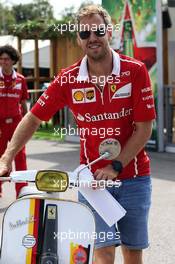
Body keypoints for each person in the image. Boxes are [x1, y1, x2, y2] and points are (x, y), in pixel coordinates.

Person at [0, 5, 156, 264]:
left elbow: (144, 128)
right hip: (93, 183)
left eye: (97, 30)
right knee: (102, 252)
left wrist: (116, 165)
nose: (92, 37)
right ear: (78, 39)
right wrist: (6, 157)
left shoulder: (135, 70)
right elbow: (33, 117)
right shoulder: (68, 79)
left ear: (108, 32)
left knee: (132, 253)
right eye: (85, 34)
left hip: (134, 179)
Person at [0, 45, 28, 197]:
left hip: (17, 122)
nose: (3, 62)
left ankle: (21, 190)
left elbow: (24, 104)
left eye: (7, 59)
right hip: (0, 124)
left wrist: (27, 124)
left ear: (13, 61)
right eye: (1, 59)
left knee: (20, 156)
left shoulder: (21, 80)